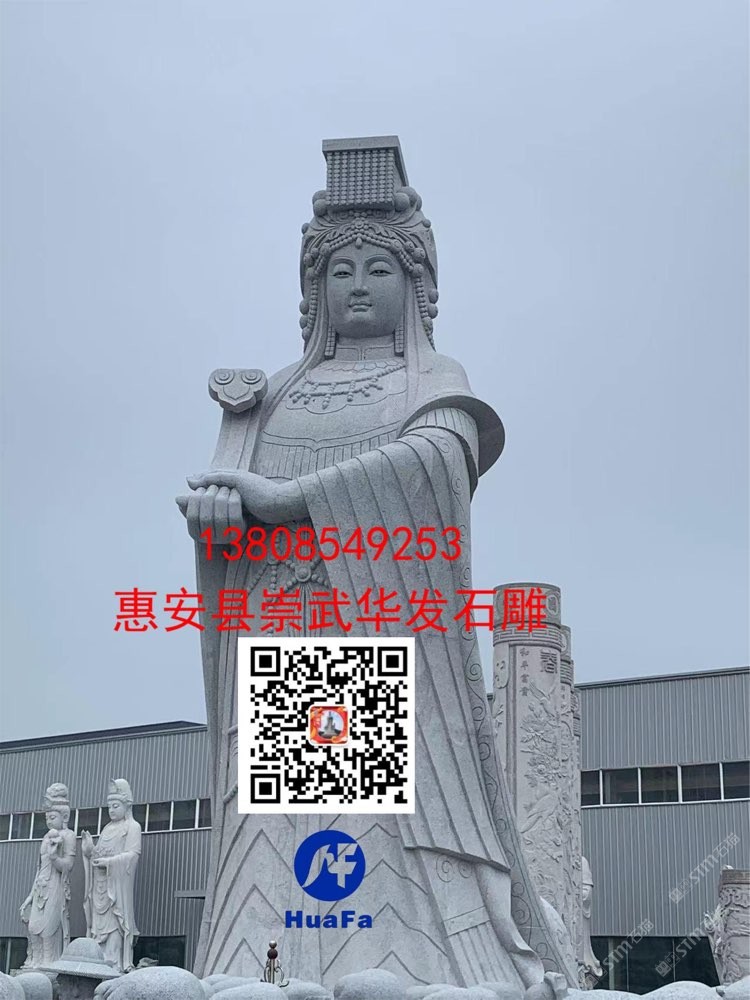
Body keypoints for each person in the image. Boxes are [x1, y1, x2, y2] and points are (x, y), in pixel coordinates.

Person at [179, 137, 574, 989]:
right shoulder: (273, 395)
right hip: (281, 638)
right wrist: (219, 514)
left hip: (377, 639)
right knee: (274, 834)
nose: (357, 285)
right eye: (339, 271)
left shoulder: (427, 379)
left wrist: (289, 498)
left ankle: (397, 967)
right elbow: (227, 496)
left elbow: (438, 459)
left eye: (379, 269)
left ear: (417, 286)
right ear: (312, 289)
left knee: (378, 833)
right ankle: (260, 966)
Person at [81, 779, 141, 972]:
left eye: (116, 806)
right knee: (97, 930)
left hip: (116, 889)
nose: (112, 810)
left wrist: (109, 863)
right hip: (100, 887)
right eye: (109, 807)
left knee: (115, 925)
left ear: (126, 806)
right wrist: (89, 851)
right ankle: (98, 964)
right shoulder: (106, 829)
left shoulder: (132, 827)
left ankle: (114, 964)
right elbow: (98, 854)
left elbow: (133, 855)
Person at [20, 783, 76, 967]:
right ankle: (34, 962)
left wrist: (54, 857)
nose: (49, 821)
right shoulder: (45, 838)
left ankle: (48, 963)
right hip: (40, 887)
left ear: (64, 816)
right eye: (47, 818)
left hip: (55, 886)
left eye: (53, 817)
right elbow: (39, 869)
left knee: (48, 929)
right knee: (33, 928)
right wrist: (30, 896)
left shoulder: (68, 836)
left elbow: (68, 865)